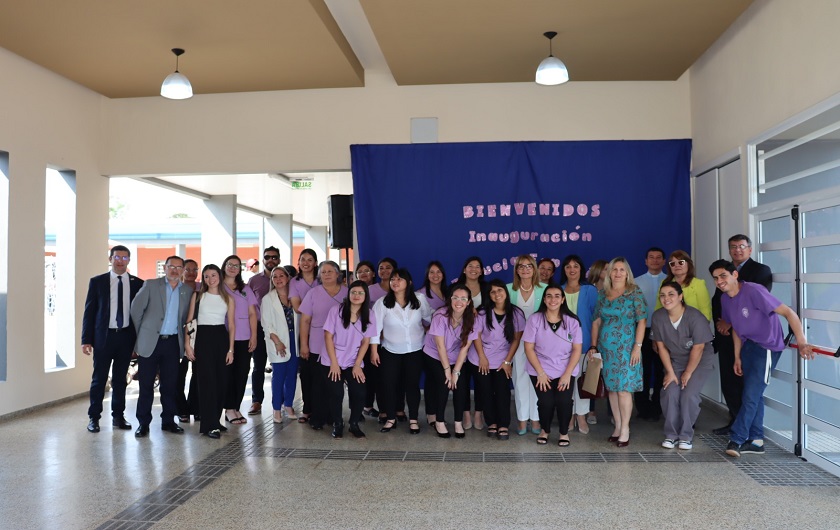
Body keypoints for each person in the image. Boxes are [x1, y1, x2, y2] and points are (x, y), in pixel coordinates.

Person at [709, 259, 814, 457]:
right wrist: (737, 357)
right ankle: (756, 441)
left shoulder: (754, 291)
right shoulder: (725, 299)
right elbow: (736, 330)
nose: (719, 281)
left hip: (766, 347)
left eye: (723, 276)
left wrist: (801, 341)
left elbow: (788, 313)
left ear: (735, 275)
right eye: (715, 278)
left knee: (751, 395)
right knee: (752, 394)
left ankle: (737, 439)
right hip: (748, 346)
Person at [711, 234, 773, 436]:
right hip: (726, 337)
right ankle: (735, 421)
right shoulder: (724, 271)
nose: (737, 250)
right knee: (729, 383)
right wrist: (720, 322)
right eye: (733, 247)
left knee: (749, 387)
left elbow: (755, 303)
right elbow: (718, 300)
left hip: (749, 339)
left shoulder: (760, 271)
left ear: (750, 249)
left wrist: (730, 322)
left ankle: (750, 431)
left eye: (741, 246)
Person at [81, 245, 144, 433]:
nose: (120, 261)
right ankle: (94, 417)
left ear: (129, 261)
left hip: (125, 337)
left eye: (125, 258)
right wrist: (86, 339)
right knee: (99, 379)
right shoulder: (97, 282)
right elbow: (89, 313)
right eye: (117, 257)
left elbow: (141, 315)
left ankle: (118, 416)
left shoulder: (138, 284)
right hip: (103, 337)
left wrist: (139, 341)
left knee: (120, 380)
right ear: (110, 259)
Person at [130, 255, 193, 437]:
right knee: (146, 385)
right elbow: (136, 312)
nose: (174, 270)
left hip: (173, 343)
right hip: (150, 342)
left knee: (170, 385)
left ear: (183, 270)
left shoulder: (186, 291)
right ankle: (143, 423)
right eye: (171, 266)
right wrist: (138, 339)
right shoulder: (151, 285)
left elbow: (186, 319)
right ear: (164, 268)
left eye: (179, 267)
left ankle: (168, 421)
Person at [650, 282, 715, 450]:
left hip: (699, 361)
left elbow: (699, 347)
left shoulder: (695, 317)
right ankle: (671, 434)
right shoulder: (658, 317)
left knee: (689, 394)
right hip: (675, 361)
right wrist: (670, 372)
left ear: (680, 296)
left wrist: (687, 372)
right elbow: (661, 346)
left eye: (671, 294)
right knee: (669, 391)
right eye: (662, 295)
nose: (666, 298)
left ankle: (686, 435)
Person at [590, 257, 647, 447]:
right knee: (612, 390)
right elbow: (597, 321)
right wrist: (593, 346)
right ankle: (617, 425)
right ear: (609, 273)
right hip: (607, 349)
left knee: (624, 390)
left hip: (627, 349)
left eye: (622, 269)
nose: (618, 273)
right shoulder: (602, 294)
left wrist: (637, 347)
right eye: (614, 269)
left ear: (627, 272)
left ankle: (625, 429)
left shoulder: (634, 292)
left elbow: (642, 321)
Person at [371, 268, 433, 435]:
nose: (395, 282)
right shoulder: (382, 303)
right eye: (393, 279)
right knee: (389, 385)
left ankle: (414, 419)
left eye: (399, 279)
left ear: (409, 282)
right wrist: (374, 350)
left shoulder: (420, 299)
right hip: (390, 350)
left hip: (415, 350)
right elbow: (375, 329)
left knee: (412, 386)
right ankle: (391, 418)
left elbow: (430, 319)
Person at [523, 284, 583, 447]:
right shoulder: (534, 319)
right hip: (540, 369)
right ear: (544, 299)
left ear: (563, 299)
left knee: (564, 401)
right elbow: (528, 348)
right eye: (549, 296)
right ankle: (545, 430)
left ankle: (564, 433)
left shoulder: (572, 321)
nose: (553, 299)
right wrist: (541, 373)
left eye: (557, 296)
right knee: (546, 402)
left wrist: (567, 374)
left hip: (565, 369)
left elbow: (577, 349)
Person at [184, 264, 236, 439]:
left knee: (222, 381)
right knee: (207, 382)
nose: (210, 279)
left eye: (213, 275)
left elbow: (232, 326)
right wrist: (187, 345)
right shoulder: (198, 296)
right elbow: (189, 321)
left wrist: (231, 349)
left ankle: (215, 419)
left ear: (219, 276)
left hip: (221, 337)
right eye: (206, 276)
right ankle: (209, 425)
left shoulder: (228, 298)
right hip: (203, 339)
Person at [470, 279, 525, 440]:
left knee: (503, 392)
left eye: (500, 290)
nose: (497, 294)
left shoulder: (516, 313)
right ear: (489, 295)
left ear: (505, 292)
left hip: (503, 360)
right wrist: (482, 357)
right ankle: (491, 423)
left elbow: (516, 339)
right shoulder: (481, 313)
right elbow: (476, 337)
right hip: (481, 358)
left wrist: (507, 361)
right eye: (493, 292)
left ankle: (503, 425)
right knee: (485, 391)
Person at [422, 284, 478, 438]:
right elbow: (440, 347)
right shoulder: (440, 316)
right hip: (434, 355)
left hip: (456, 356)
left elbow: (465, 349)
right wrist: (448, 371)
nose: (458, 301)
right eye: (455, 298)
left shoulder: (472, 319)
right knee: (444, 383)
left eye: (463, 298)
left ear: (468, 302)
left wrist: (456, 371)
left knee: (459, 384)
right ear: (450, 300)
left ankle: (458, 422)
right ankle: (440, 421)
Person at [323, 280, 377, 439]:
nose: (356, 295)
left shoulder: (370, 314)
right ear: (348, 294)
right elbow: (328, 336)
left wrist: (357, 365)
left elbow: (366, 341)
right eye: (353, 292)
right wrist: (334, 363)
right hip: (333, 358)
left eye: (361, 293)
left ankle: (354, 424)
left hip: (354, 359)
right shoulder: (336, 310)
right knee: (336, 393)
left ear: (365, 295)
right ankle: (337, 423)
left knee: (360, 392)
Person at [299, 260, 348, 428]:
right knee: (318, 384)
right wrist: (304, 345)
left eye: (330, 271)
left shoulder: (347, 293)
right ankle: (318, 418)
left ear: (337, 274)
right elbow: (305, 321)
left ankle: (334, 417)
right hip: (316, 344)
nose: (326, 274)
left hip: (340, 346)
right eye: (323, 272)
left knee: (335, 385)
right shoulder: (313, 293)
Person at [507, 254, 545, 436]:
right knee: (520, 380)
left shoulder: (545, 289)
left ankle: (536, 419)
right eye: (521, 266)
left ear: (534, 269)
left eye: (529, 266)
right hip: (517, 342)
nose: (525, 269)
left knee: (538, 380)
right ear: (516, 270)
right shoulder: (508, 289)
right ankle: (522, 420)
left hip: (541, 344)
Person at [560, 255, 598, 434]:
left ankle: (581, 415)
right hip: (561, 347)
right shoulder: (558, 290)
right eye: (568, 267)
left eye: (575, 266)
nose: (572, 269)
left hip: (585, 344)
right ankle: (569, 415)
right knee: (566, 382)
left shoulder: (589, 290)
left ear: (581, 269)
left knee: (584, 382)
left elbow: (596, 319)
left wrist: (594, 344)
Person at [221, 255, 259, 425]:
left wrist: (254, 336)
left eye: (236, 265)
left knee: (242, 372)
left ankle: (235, 407)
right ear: (224, 266)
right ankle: (228, 409)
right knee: (227, 374)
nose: (233, 268)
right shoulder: (218, 287)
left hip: (244, 337)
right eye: (230, 264)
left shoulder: (245, 289)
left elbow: (252, 314)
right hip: (224, 337)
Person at [261, 265, 299, 423]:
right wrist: (277, 342)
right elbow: (267, 324)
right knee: (279, 375)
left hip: (294, 338)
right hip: (277, 340)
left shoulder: (295, 296)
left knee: (292, 374)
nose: (278, 279)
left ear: (287, 277)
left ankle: (288, 404)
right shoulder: (268, 299)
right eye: (274, 277)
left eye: (281, 276)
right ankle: (277, 408)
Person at [247, 246, 281, 416]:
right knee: (258, 366)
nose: (271, 260)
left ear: (279, 259)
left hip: (281, 329)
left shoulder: (284, 278)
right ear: (263, 260)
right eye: (267, 257)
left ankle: (281, 401)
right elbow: (248, 306)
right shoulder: (254, 281)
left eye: (274, 257)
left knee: (280, 365)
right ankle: (256, 401)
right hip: (260, 329)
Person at [634, 247, 667, 421]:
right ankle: (642, 408)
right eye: (651, 257)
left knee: (662, 371)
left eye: (658, 258)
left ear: (664, 261)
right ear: (646, 261)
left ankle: (658, 407)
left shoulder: (670, 281)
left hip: (665, 333)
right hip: (643, 332)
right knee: (642, 370)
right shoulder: (636, 282)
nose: (655, 260)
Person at [177, 259, 201, 423]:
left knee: (198, 375)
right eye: (188, 269)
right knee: (179, 375)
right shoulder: (176, 289)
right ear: (182, 271)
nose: (191, 272)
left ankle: (196, 407)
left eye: (195, 269)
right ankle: (181, 409)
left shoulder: (203, 288)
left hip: (199, 338)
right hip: (179, 336)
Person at [655, 250, 712, 320]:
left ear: (688, 264)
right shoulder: (664, 283)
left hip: (693, 327)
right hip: (668, 326)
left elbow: (705, 312)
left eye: (681, 262)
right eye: (672, 264)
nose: (677, 266)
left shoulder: (698, 284)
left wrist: (699, 328)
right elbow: (658, 308)